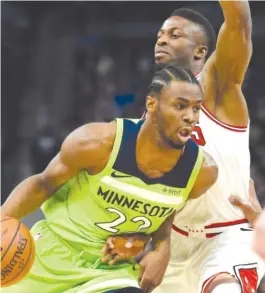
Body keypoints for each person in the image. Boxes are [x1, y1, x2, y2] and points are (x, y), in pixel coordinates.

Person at [1, 65, 218, 293]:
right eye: (180, 106)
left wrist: (161, 248)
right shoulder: (96, 143)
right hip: (49, 255)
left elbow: (167, 209)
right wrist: (3, 217)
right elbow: (43, 184)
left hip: (109, 272)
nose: (190, 117)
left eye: (196, 108)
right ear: (152, 105)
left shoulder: (202, 173)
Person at [104, 2, 265, 293]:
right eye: (159, 35)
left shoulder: (217, 86)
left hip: (226, 236)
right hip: (174, 246)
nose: (162, 39)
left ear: (200, 52)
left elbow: (239, 23)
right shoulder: (150, 117)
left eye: (174, 34)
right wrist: (141, 235)